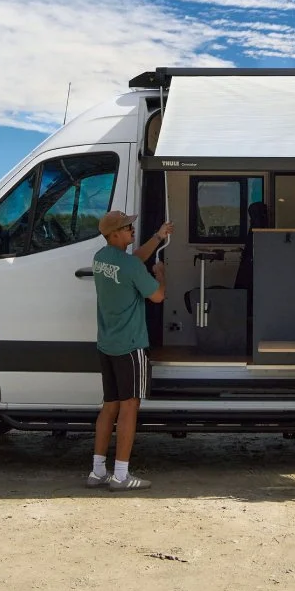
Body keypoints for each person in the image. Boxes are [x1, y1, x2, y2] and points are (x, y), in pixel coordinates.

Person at [87, 210, 172, 493]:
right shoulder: (130, 266)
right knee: (129, 406)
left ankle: (98, 471)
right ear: (114, 235)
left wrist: (158, 237)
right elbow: (158, 297)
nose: (131, 230)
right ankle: (121, 475)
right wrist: (162, 276)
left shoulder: (101, 258)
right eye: (126, 228)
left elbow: (133, 259)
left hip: (107, 344)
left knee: (109, 405)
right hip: (131, 345)